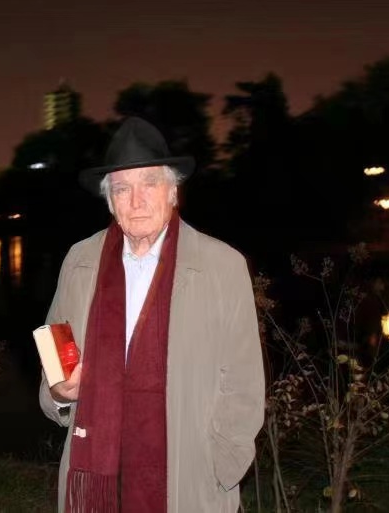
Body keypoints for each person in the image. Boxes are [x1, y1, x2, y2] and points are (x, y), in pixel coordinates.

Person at [38, 116, 265, 512]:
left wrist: (221, 464)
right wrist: (59, 393)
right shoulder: (79, 261)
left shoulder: (222, 266)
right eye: (122, 188)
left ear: (173, 191)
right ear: (110, 200)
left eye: (149, 183)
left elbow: (243, 383)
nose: (136, 200)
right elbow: (54, 356)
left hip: (187, 477)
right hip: (96, 478)